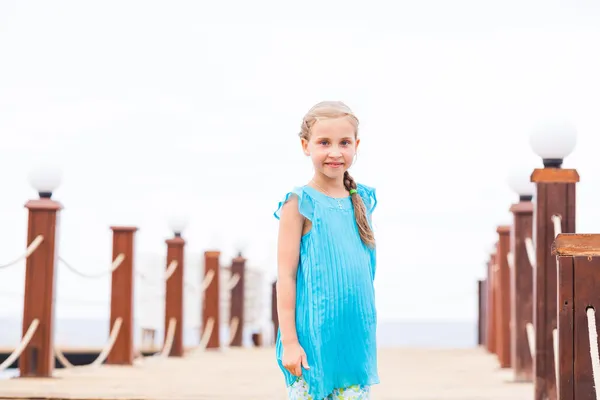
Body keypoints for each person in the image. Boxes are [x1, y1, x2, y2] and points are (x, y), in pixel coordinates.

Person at [273, 101, 379, 399]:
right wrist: (291, 342)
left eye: (344, 142)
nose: (335, 152)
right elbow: (286, 277)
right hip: (312, 343)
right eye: (324, 142)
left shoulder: (363, 200)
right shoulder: (298, 204)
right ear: (306, 146)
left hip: (354, 344)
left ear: (356, 145)